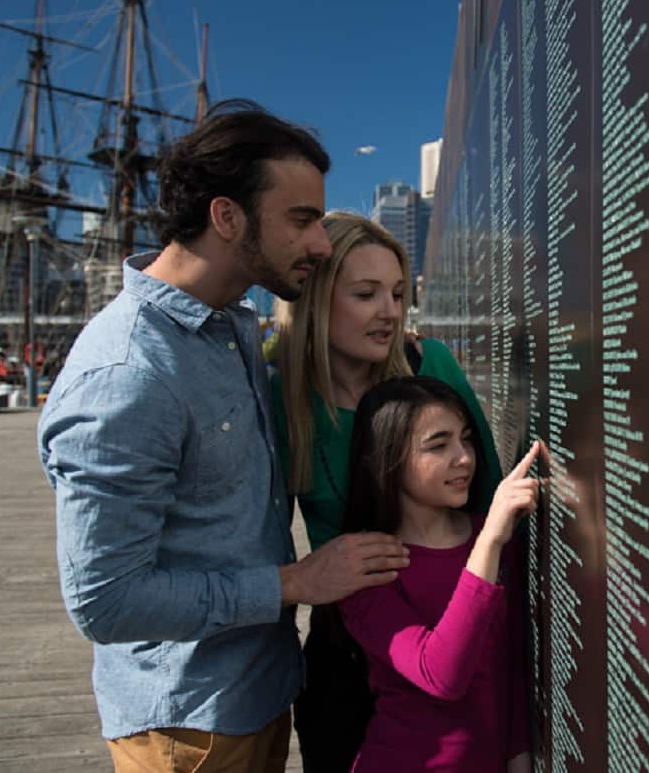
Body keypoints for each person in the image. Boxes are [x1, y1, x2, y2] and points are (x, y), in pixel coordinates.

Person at [37, 101, 410, 772]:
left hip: (257, 694)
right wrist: (295, 582)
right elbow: (105, 601)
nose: (322, 245)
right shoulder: (128, 373)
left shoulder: (231, 329)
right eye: (301, 221)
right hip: (187, 727)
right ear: (227, 217)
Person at [270, 210, 504, 771]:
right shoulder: (277, 394)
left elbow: (489, 494)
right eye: (366, 294)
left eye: (398, 293)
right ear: (318, 298)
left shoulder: (432, 365)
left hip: (448, 629)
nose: (390, 312)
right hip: (345, 645)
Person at [339, 376, 536, 772]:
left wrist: (518, 760)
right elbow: (441, 673)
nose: (463, 457)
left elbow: (510, 668)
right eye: (438, 445)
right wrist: (489, 543)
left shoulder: (492, 538)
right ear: (387, 458)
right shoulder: (364, 566)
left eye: (465, 439)